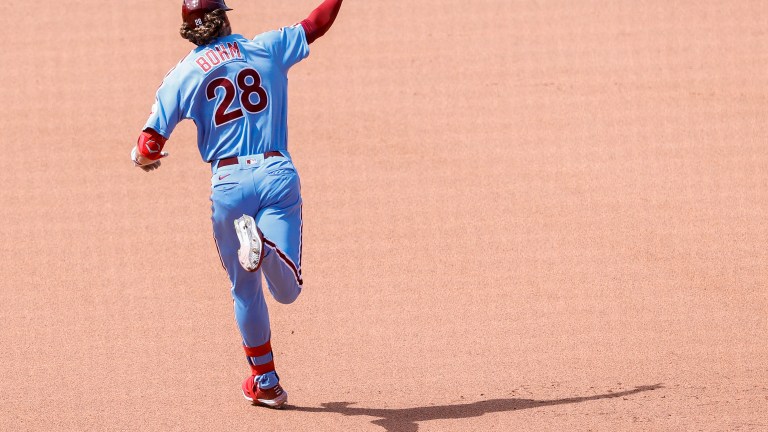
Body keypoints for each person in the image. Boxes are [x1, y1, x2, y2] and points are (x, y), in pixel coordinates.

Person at [130, 0, 343, 409]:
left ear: (188, 28)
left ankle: (265, 381)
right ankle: (263, 247)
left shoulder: (182, 75)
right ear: (225, 17)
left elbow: (150, 143)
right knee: (286, 291)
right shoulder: (267, 46)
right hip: (275, 172)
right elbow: (317, 22)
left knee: (244, 290)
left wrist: (144, 157)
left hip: (228, 186)